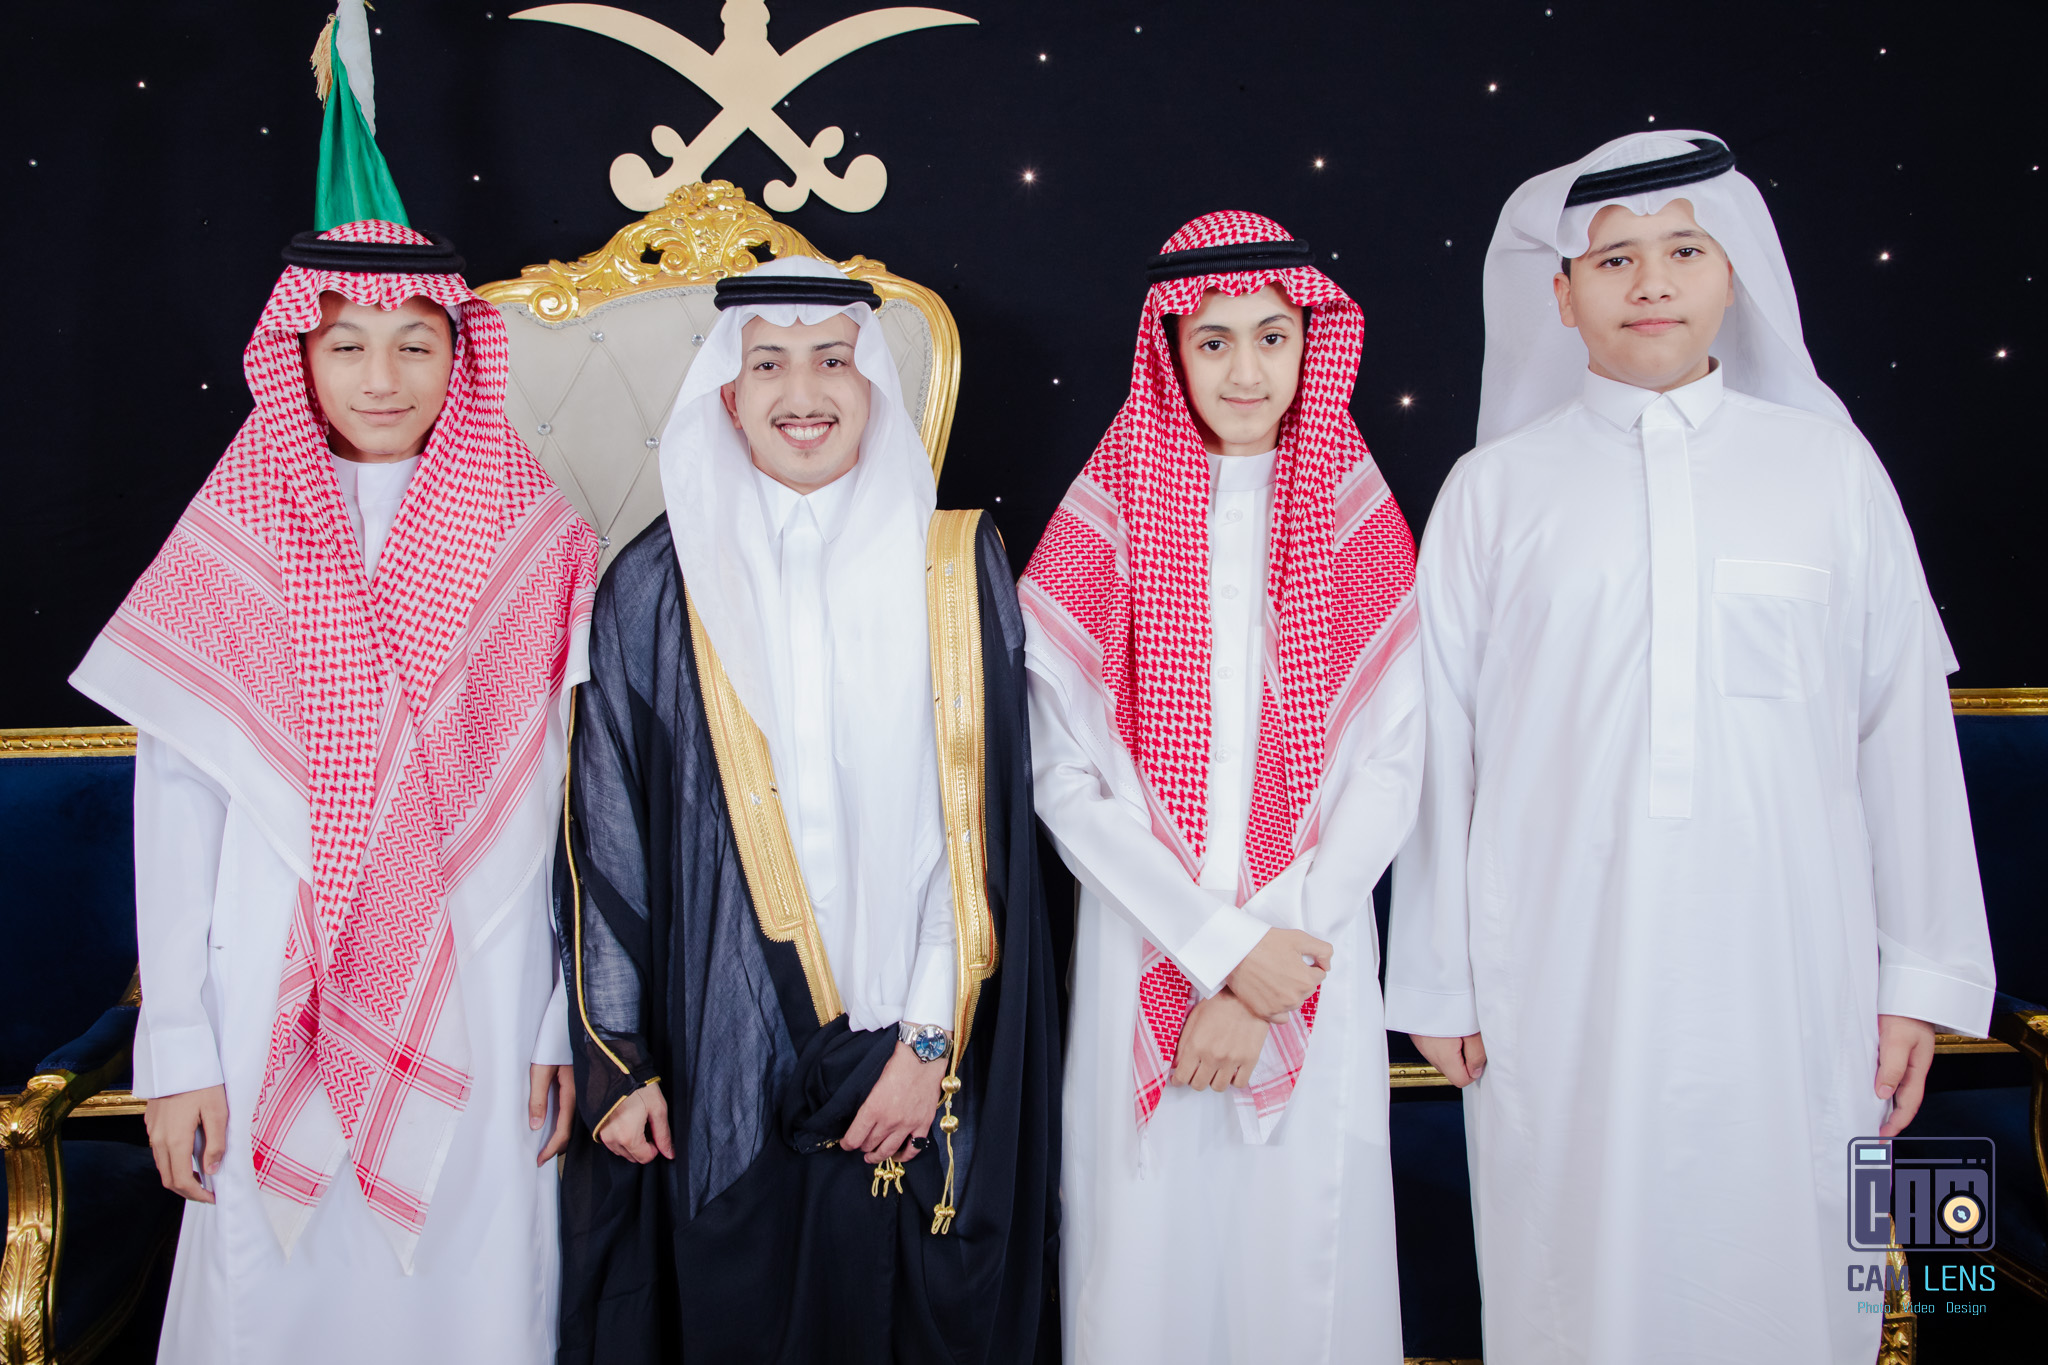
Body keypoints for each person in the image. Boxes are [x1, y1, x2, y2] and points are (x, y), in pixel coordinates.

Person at [1384, 131, 1996, 1365]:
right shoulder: (1490, 493)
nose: (1649, 283)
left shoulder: (1828, 470)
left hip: (1795, 968)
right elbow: (1437, 748)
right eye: (1612, 259)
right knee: (1572, 1272)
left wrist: (1918, 980)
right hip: (1554, 967)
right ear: (1561, 295)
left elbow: (1899, 735)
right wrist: (1439, 976)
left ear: (1732, 276)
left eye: (1681, 251)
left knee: (1796, 1262)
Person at [70, 217, 599, 1363]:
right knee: (273, 1293)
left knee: (470, 1291)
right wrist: (177, 1050)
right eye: (347, 345)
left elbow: (567, 805)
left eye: (415, 345)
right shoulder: (235, 531)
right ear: (296, 356)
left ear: (461, 358)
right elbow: (178, 806)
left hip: (484, 974)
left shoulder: (534, 536)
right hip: (269, 974)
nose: (381, 378)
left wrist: (560, 1017)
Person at [553, 255, 1059, 1365]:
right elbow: (607, 840)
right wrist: (620, 1061)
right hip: (722, 1055)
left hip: (925, 1043)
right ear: (726, 396)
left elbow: (973, 841)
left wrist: (925, 1044)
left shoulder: (952, 567)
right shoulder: (653, 585)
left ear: (871, 381)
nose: (802, 393)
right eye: (768, 364)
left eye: (832, 360)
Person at [1022, 212, 1423, 1364]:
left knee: (1303, 1264)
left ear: (1310, 345)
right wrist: (1216, 946)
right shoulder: (1102, 520)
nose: (1245, 370)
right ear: (1169, 352)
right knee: (1143, 1265)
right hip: (1141, 947)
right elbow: (1061, 777)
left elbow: (1392, 766)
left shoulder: (1357, 520)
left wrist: (1262, 974)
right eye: (1212, 341)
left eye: (1270, 337)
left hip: (1311, 957)